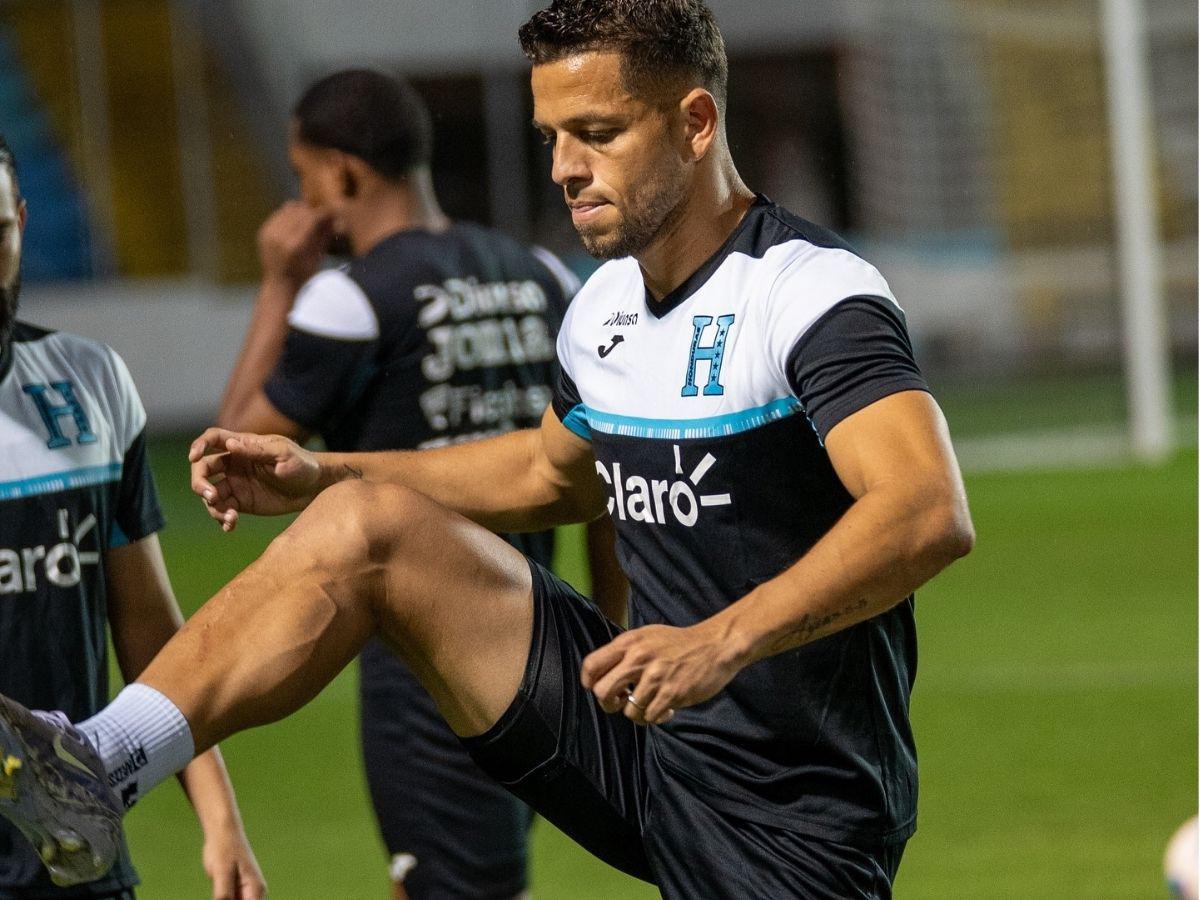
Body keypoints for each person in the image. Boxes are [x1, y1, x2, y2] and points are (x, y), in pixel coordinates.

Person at [0, 1, 975, 897]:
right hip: (642, 741)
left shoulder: (808, 293)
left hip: (793, 811)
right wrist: (325, 471)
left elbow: (926, 510)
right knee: (362, 526)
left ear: (695, 123)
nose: (564, 166)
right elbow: (545, 471)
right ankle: (97, 763)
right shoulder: (601, 307)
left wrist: (723, 637)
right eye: (551, 137)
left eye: (599, 133)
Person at [217, 69, 626, 899]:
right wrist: (610, 625)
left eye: (304, 177)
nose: (304, 199)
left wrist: (278, 281)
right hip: (541, 646)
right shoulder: (544, 275)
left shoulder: (349, 297)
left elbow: (235, 448)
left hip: (424, 671)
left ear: (342, 173)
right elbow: (601, 472)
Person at [0, 138, 266, 900]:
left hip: (79, 857)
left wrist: (220, 818)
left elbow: (150, 632)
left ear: (21, 224)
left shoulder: (90, 384)